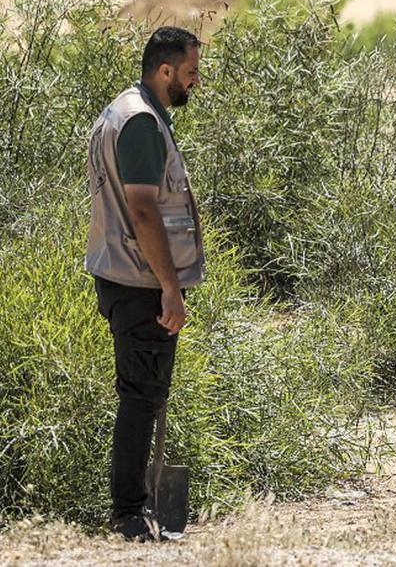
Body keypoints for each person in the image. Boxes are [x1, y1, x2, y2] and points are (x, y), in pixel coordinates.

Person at [85, 26, 205, 540]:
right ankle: (130, 514)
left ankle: (138, 505)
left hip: (129, 276)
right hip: (140, 283)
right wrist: (170, 288)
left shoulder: (130, 111)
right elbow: (142, 208)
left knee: (147, 393)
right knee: (140, 396)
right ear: (165, 70)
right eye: (191, 72)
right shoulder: (140, 122)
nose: (195, 83)